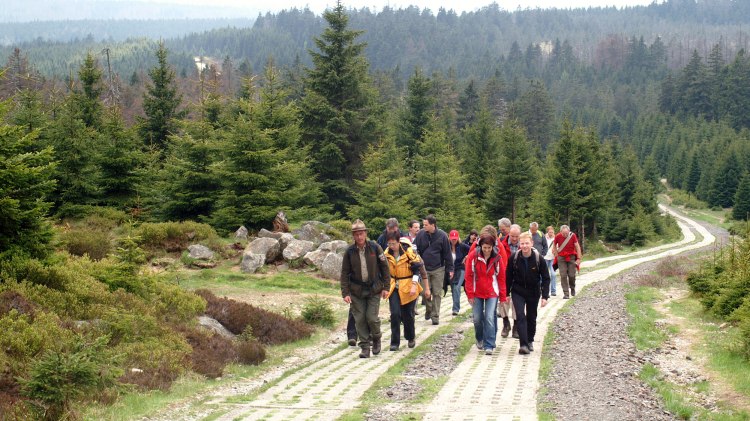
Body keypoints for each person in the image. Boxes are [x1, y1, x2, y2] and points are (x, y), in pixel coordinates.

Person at [340, 219, 390, 358]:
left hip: (374, 289)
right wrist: (345, 292)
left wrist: (386, 287)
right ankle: (365, 347)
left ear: (365, 233)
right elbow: (344, 273)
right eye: (356, 234)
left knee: (371, 318)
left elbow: (385, 268)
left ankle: (376, 337)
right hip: (356, 291)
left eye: (361, 233)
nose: (359, 237)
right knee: (360, 319)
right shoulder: (349, 252)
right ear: (353, 236)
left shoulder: (375, 247)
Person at [384, 232, 430, 351]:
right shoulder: (386, 254)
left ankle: (410, 337)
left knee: (408, 315)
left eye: (393, 243)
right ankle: (394, 342)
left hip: (408, 285)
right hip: (394, 286)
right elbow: (383, 271)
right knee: (394, 314)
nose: (391, 246)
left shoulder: (408, 253)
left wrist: (414, 285)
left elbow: (417, 270)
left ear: (398, 242)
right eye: (389, 243)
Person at [465, 225, 507, 355]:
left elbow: (501, 277)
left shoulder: (497, 257)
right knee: (477, 318)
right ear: (480, 246)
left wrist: (503, 296)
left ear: (493, 246)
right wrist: (470, 294)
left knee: (489, 317)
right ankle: (480, 338)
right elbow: (468, 276)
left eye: (489, 248)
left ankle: (490, 344)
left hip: (492, 292)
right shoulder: (473, 255)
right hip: (477, 291)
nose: (487, 250)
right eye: (485, 248)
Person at [506, 232, 550, 354]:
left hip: (533, 291)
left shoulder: (538, 258)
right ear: (519, 244)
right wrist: (506, 293)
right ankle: (523, 344)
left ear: (531, 243)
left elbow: (546, 277)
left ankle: (530, 340)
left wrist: (545, 296)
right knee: (520, 316)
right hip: (518, 291)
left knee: (531, 317)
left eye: (526, 243)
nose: (524, 246)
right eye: (522, 243)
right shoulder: (514, 258)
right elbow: (508, 276)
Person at [414, 214, 453, 325]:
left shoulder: (442, 236)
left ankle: (435, 316)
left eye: (426, 225)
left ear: (433, 225)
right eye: (423, 224)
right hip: (423, 268)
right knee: (423, 292)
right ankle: (429, 309)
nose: (423, 226)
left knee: (436, 292)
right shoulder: (421, 234)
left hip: (438, 268)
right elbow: (414, 248)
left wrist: (450, 268)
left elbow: (447, 253)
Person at [499, 224, 522, 339]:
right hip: (504, 275)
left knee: (517, 302)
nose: (514, 238)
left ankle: (516, 326)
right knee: (503, 300)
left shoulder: (523, 245)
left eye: (517, 236)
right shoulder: (501, 243)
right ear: (509, 234)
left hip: (518, 277)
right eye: (512, 236)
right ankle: (505, 323)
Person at [551, 224, 583, 299]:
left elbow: (577, 246)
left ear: (569, 231)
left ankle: (572, 287)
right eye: (563, 233)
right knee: (563, 275)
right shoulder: (558, 236)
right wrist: (556, 254)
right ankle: (566, 293)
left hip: (571, 257)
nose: (565, 235)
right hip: (561, 258)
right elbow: (554, 245)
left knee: (572, 275)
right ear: (560, 232)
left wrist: (578, 258)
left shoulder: (573, 235)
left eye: (566, 233)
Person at [448, 229, 470, 316]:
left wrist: (467, 256)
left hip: (461, 269)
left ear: (458, 238)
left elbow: (474, 249)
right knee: (453, 288)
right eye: (452, 239)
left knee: (457, 287)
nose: (453, 241)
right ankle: (455, 305)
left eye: (455, 239)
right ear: (449, 238)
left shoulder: (462, 246)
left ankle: (455, 309)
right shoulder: (446, 246)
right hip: (450, 269)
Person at [544, 226, 557, 296]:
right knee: (546, 275)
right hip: (545, 258)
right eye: (550, 232)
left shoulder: (555, 239)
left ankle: (553, 290)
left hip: (552, 258)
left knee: (553, 274)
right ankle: (546, 291)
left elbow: (558, 247)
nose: (551, 233)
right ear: (547, 232)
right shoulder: (544, 238)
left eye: (552, 232)